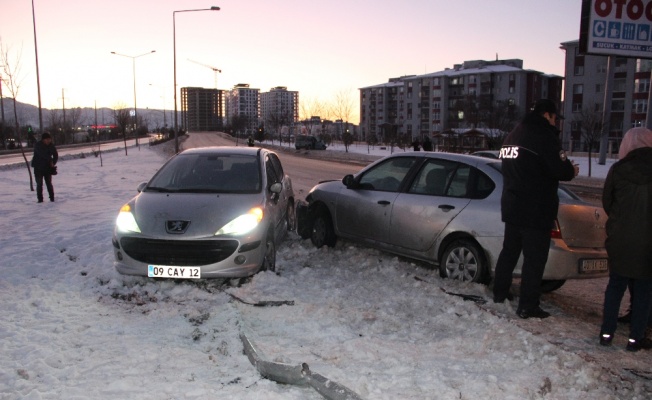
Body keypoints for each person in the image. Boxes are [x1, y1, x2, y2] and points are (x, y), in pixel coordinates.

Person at [492, 99, 578, 319]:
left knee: (509, 252)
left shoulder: (513, 135)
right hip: (535, 208)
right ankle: (528, 305)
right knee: (534, 259)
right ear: (547, 115)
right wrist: (572, 170)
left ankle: (500, 293)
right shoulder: (543, 136)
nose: (556, 121)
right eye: (555, 117)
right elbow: (561, 169)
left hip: (512, 204)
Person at [599, 126, 652, 351]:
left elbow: (607, 201)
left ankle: (606, 333)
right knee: (643, 291)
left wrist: (620, 222)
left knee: (615, 286)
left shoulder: (618, 169)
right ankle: (635, 339)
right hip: (649, 243)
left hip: (620, 239)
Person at [31, 132, 58, 203]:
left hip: (47, 168)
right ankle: (40, 199)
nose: (49, 141)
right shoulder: (38, 145)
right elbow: (43, 155)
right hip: (38, 168)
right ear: (43, 140)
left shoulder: (51, 146)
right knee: (39, 184)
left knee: (49, 183)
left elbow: (55, 155)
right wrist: (50, 160)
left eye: (50, 139)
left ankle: (52, 198)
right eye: (47, 139)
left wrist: (53, 163)